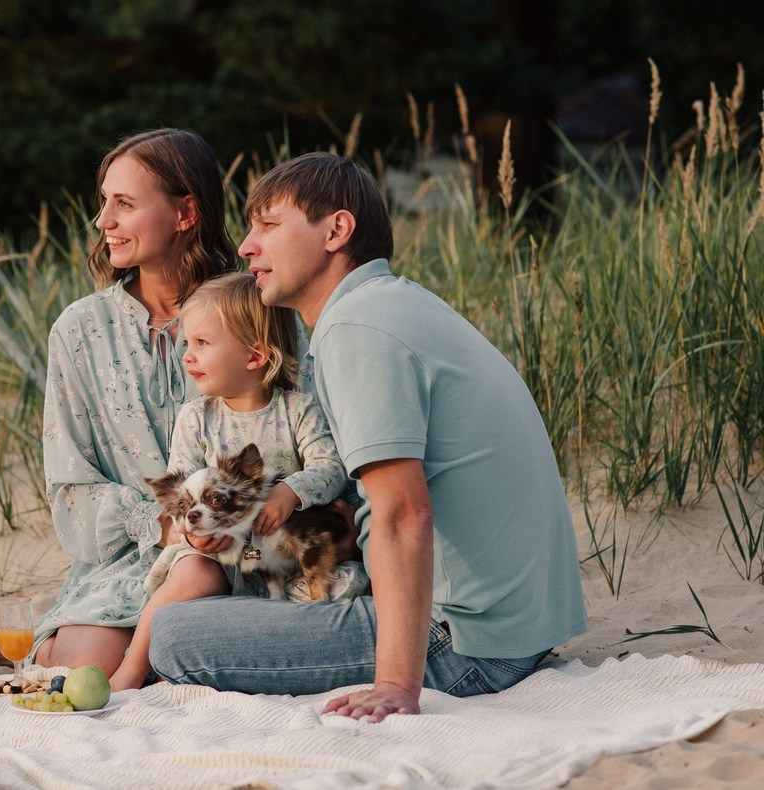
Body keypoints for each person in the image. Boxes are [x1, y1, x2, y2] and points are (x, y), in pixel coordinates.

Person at [148, 152, 587, 722]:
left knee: (176, 635)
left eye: (269, 225)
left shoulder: (355, 329)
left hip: (466, 643)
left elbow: (404, 512)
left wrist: (396, 685)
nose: (247, 246)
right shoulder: (397, 303)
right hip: (521, 624)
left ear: (337, 230)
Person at [31, 128, 238, 676]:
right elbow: (70, 487)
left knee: (196, 637)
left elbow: (298, 437)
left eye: (124, 204)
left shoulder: (256, 312)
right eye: (104, 202)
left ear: (185, 213)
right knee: (91, 667)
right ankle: (33, 638)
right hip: (131, 562)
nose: (103, 221)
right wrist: (160, 525)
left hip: (244, 552)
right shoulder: (79, 329)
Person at [108, 272, 360, 692]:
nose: (187, 356)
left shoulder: (297, 410)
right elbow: (180, 492)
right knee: (190, 574)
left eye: (202, 343)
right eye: (187, 343)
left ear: (255, 355)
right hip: (222, 557)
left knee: (346, 586)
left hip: (286, 553)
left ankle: (277, 659)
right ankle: (131, 670)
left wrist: (290, 492)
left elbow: (330, 466)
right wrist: (193, 533)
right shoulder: (197, 417)